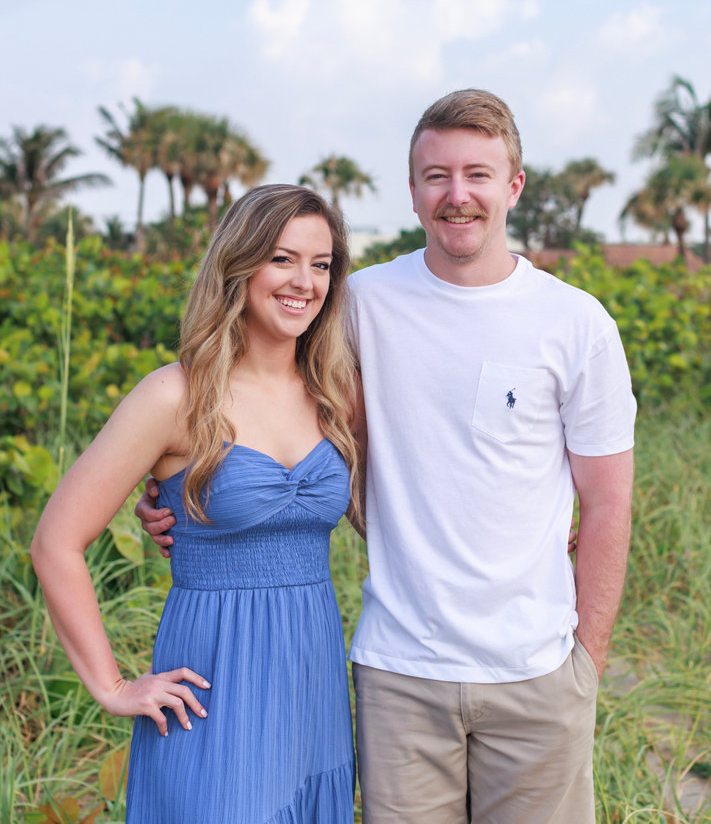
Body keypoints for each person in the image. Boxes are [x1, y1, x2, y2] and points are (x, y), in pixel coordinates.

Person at [140, 90, 636, 824]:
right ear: (412, 190)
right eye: (437, 175)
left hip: (535, 671)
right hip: (399, 673)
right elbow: (257, 405)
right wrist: (173, 489)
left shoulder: (576, 323)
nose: (457, 194)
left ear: (513, 186)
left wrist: (585, 661)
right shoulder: (355, 304)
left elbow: (608, 502)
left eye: (477, 174)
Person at [32, 184, 361, 824]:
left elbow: (389, 511)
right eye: (282, 258)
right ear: (240, 264)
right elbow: (55, 542)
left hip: (311, 685)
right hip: (214, 686)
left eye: (320, 264)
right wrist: (112, 686)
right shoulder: (175, 396)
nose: (305, 282)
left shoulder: (334, 393)